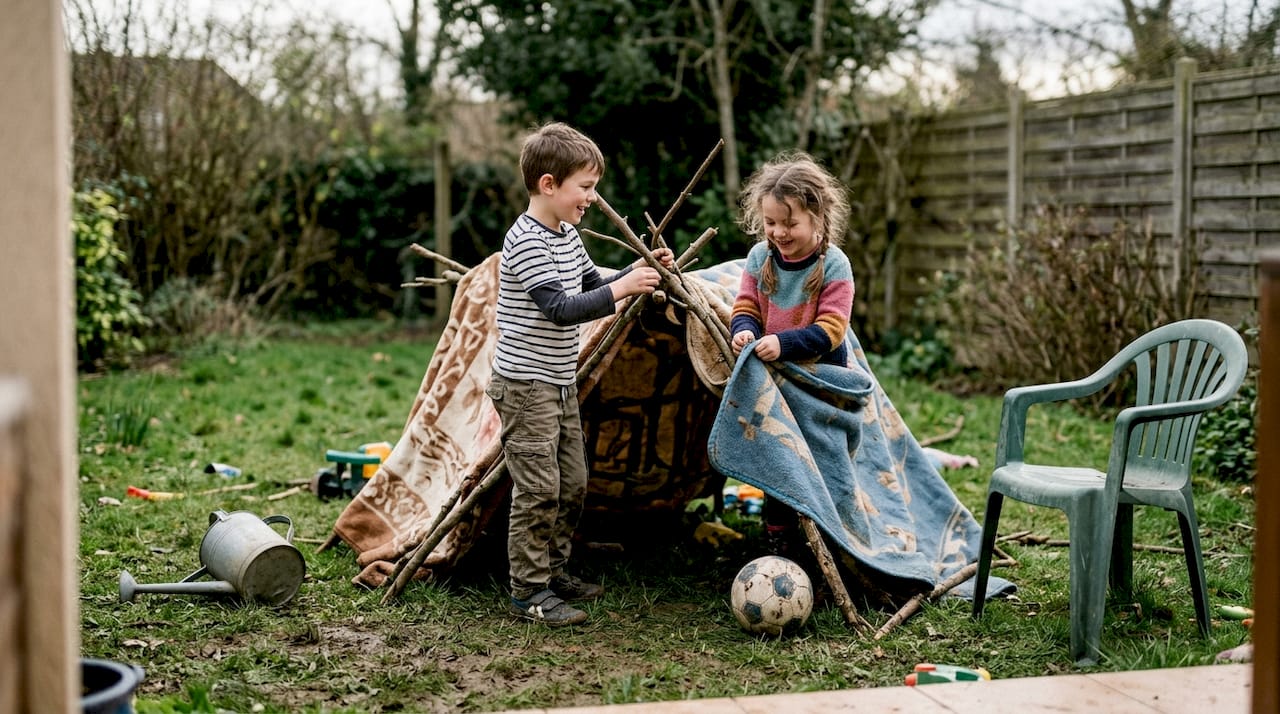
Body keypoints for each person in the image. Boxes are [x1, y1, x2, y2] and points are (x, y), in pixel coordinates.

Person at [486, 122, 674, 626]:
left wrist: (638, 270)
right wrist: (625, 288)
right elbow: (562, 308)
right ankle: (528, 592)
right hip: (526, 387)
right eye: (585, 187)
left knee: (573, 483)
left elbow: (593, 282)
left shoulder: (566, 235)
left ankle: (553, 571)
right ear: (549, 185)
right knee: (539, 488)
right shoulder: (524, 241)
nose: (592, 198)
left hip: (559, 382)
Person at [728, 151, 854, 558]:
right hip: (776, 381)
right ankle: (780, 541)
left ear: (817, 218)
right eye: (770, 222)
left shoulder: (834, 265)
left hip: (820, 382)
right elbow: (745, 306)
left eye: (789, 223)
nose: (778, 232)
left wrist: (784, 344)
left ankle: (831, 542)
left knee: (818, 464)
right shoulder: (759, 259)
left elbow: (832, 331)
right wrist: (744, 331)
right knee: (780, 460)